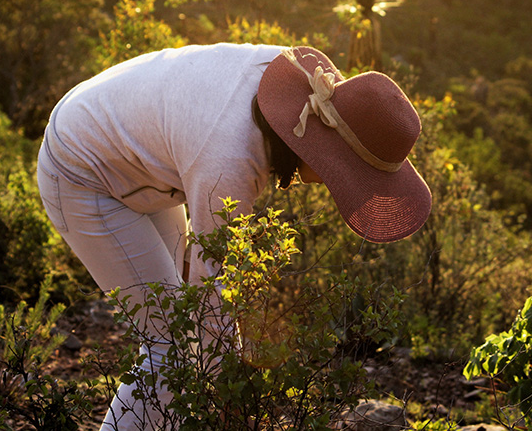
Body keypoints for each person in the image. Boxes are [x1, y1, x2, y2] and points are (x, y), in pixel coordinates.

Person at [36, 43, 432, 430]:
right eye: (347, 173)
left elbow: (211, 287)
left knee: (184, 339)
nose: (331, 185)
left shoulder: (298, 81)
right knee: (170, 346)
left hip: (131, 148)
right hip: (81, 169)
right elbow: (212, 300)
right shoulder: (231, 159)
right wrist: (235, 405)